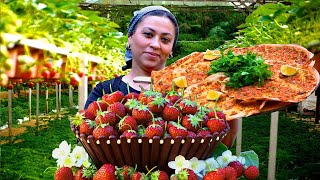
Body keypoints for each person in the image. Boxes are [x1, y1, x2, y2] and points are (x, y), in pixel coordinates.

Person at [84, 6, 179, 109]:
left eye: (165, 39)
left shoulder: (187, 92)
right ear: (130, 37)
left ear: (172, 49)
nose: (155, 44)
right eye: (148, 34)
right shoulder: (105, 91)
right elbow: (85, 121)